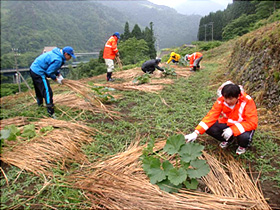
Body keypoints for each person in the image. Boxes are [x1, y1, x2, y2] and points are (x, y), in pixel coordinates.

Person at [184, 83, 258, 155]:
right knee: (210, 128)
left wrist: (233, 130)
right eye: (225, 98)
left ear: (238, 96)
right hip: (228, 122)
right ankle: (228, 139)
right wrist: (196, 132)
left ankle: (242, 146)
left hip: (244, 125)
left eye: (231, 99)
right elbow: (211, 116)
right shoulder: (221, 100)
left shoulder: (247, 101)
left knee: (244, 137)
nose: (228, 101)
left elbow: (252, 123)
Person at [30, 46, 76, 118]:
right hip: (38, 72)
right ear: (66, 54)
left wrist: (58, 74)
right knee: (47, 92)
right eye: (70, 56)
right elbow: (49, 72)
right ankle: (51, 112)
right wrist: (56, 79)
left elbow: (52, 66)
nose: (70, 58)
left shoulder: (57, 53)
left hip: (33, 69)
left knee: (39, 90)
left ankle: (40, 107)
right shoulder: (58, 59)